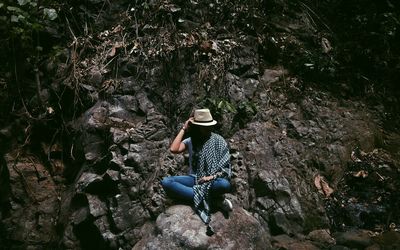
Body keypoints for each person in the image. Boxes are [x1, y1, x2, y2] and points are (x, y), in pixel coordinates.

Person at [161, 108, 232, 232]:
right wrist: (184, 128)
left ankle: (198, 196)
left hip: (212, 181)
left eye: (209, 126)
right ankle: (212, 199)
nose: (208, 128)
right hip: (194, 179)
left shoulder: (218, 140)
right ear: (197, 126)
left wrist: (210, 177)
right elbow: (173, 149)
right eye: (204, 126)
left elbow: (225, 168)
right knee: (166, 182)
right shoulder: (191, 141)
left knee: (225, 184)